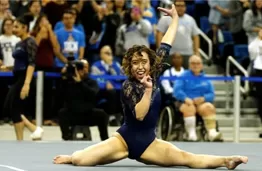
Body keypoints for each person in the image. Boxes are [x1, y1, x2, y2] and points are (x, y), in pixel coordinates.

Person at [53, 5, 248, 170]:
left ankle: (226, 160)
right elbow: (139, 114)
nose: (140, 66)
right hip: (123, 141)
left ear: (150, 64)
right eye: (135, 62)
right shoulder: (128, 86)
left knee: (187, 158)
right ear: (130, 65)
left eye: (143, 62)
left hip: (149, 144)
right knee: (79, 160)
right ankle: (72, 156)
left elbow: (166, 43)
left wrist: (174, 20)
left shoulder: (154, 73)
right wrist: (147, 90)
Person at [3, 13, 43, 141]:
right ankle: (27, 133)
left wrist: (26, 83)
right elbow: (20, 61)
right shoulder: (19, 42)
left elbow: (31, 63)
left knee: (14, 107)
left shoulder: (30, 41)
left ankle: (29, 131)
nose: (14, 29)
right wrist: (7, 68)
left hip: (24, 78)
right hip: (17, 77)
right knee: (9, 107)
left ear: (25, 28)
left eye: (16, 27)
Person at [173, 55, 223, 142]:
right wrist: (186, 98)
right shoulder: (183, 76)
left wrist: (203, 98)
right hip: (185, 102)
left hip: (200, 103)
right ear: (189, 65)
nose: (195, 65)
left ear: (201, 65)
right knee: (189, 108)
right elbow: (177, 91)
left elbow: (211, 94)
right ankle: (191, 134)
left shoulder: (205, 79)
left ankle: (212, 132)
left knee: (209, 107)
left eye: (198, 63)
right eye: (193, 63)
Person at [58, 59, 109, 141]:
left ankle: (105, 140)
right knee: (62, 113)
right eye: (79, 69)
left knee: (102, 115)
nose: (83, 70)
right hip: (72, 113)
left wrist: (80, 82)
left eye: (85, 68)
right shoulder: (68, 82)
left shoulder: (91, 82)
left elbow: (93, 94)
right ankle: (66, 138)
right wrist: (63, 77)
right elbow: (60, 96)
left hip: (88, 113)